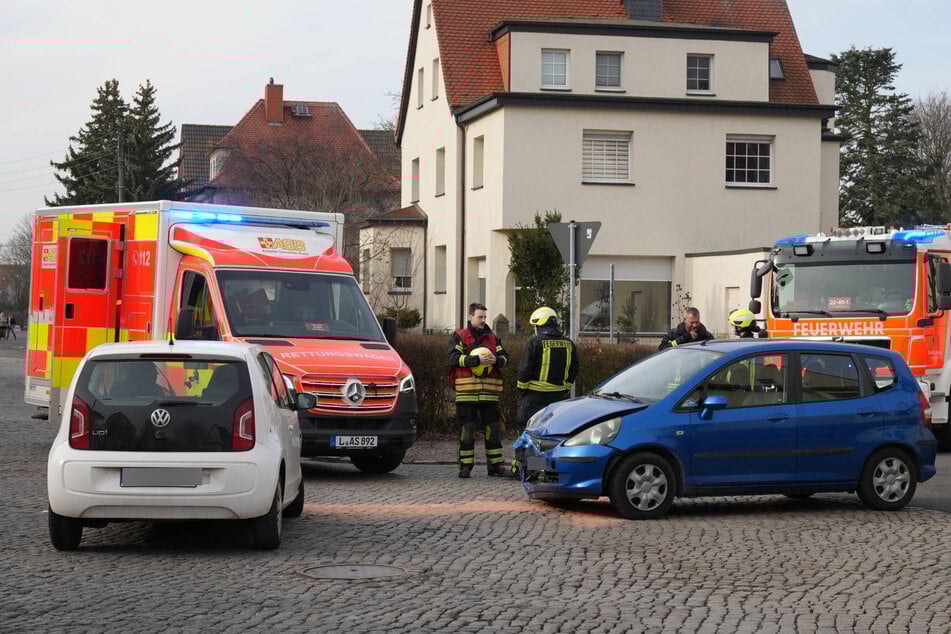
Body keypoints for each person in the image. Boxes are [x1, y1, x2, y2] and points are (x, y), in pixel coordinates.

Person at [448, 303, 510, 478]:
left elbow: (506, 358)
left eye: (484, 317)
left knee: (494, 430)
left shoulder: (492, 338)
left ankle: (496, 466)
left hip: (490, 394)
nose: (483, 320)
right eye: (480, 317)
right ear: (471, 317)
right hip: (466, 393)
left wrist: (496, 361)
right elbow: (453, 358)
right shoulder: (460, 336)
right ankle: (465, 466)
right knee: (467, 431)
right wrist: (475, 360)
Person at [516, 307, 578, 427]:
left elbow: (524, 370)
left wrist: (522, 391)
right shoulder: (569, 343)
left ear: (540, 324)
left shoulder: (534, 342)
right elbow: (574, 368)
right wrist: (566, 387)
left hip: (534, 398)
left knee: (529, 431)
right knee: (553, 430)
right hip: (559, 396)